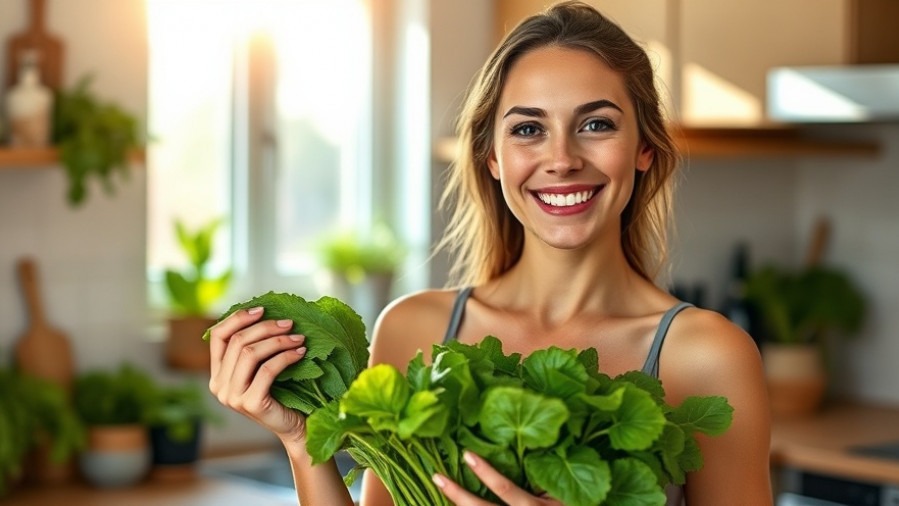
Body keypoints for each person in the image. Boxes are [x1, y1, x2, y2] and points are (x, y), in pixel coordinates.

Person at [208, 1, 773, 505]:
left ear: (644, 148)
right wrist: (303, 442)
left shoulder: (706, 356)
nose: (561, 159)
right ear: (493, 159)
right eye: (528, 129)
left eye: (596, 124)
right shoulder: (413, 329)